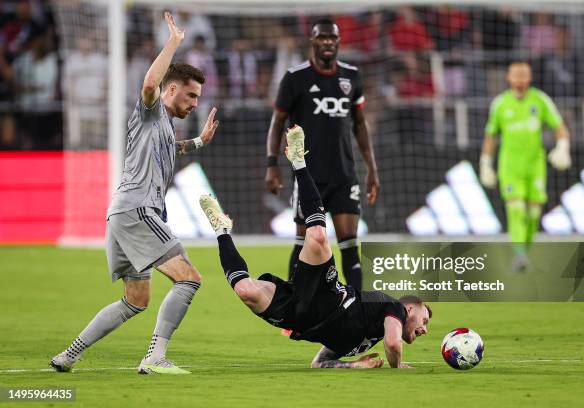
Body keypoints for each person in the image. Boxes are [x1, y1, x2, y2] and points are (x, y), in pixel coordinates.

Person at [50, 12, 220, 375]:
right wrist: (173, 43)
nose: (194, 103)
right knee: (189, 278)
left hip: (121, 213)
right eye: (190, 95)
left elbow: (169, 148)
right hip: (140, 211)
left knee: (135, 300)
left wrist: (198, 142)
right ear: (171, 90)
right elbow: (148, 83)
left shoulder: (161, 127)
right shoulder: (151, 109)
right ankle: (155, 357)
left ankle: (69, 354)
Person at [206, 125, 430, 368]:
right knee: (319, 236)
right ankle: (298, 161)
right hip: (328, 296)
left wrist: (353, 365)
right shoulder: (392, 307)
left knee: (245, 291)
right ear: (409, 308)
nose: (425, 329)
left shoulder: (366, 338)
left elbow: (319, 363)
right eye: (424, 320)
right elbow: (394, 345)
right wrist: (397, 367)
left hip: (299, 315)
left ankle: (221, 230)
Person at [265, 19, 380, 291]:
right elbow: (277, 122)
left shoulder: (351, 76)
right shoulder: (295, 78)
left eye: (332, 38)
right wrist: (272, 164)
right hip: (309, 177)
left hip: (344, 175)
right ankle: (292, 310)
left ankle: (358, 312)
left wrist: (372, 169)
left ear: (339, 42)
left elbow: (360, 124)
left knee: (350, 244)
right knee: (306, 242)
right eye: (322, 38)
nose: (328, 42)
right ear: (313, 42)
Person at [480, 61, 571, 270]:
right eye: (516, 76)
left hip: (535, 165)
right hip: (510, 165)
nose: (520, 80)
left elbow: (559, 127)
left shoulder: (540, 100)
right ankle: (519, 254)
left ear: (529, 78)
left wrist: (563, 147)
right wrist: (486, 164)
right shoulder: (500, 104)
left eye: (524, 76)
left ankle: (523, 253)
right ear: (509, 78)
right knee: (516, 209)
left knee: (533, 215)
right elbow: (490, 136)